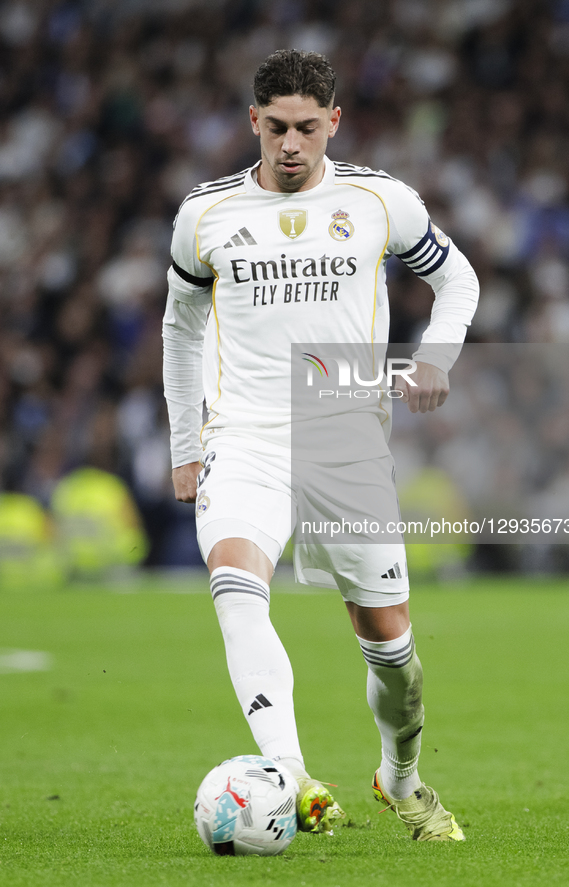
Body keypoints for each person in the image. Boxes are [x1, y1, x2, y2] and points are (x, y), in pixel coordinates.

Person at [162, 50, 478, 841]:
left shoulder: (379, 200)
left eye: (307, 127)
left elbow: (458, 280)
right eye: (276, 128)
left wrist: (435, 355)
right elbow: (180, 330)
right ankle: (294, 778)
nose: (291, 144)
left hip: (344, 437)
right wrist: (184, 444)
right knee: (236, 586)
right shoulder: (205, 214)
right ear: (253, 123)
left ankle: (398, 777)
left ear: (333, 121)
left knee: (392, 651)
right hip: (246, 435)